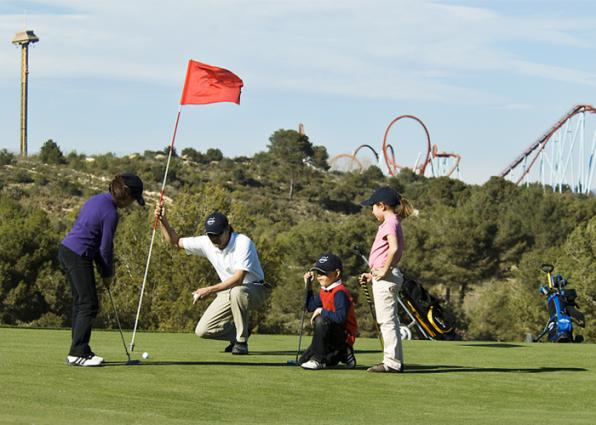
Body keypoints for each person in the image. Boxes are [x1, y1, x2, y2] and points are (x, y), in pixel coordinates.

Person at [155, 206, 270, 355]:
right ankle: (240, 332)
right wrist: (163, 220)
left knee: (237, 291)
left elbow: (238, 279)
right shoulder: (207, 242)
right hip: (228, 291)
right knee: (203, 330)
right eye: (210, 235)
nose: (214, 239)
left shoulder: (243, 242)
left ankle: (241, 342)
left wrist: (208, 290)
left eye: (217, 235)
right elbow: (175, 241)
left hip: (255, 289)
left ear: (227, 229)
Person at [59, 172, 145, 367]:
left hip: (68, 251)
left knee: (82, 303)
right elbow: (105, 247)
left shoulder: (96, 200)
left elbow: (97, 242)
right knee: (88, 304)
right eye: (133, 199)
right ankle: (77, 352)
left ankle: (80, 349)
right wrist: (107, 273)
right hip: (78, 254)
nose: (132, 203)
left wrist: (103, 269)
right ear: (127, 195)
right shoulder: (111, 213)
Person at [359, 186, 414, 373]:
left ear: (382, 206)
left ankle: (392, 363)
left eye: (372, 206)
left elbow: (394, 248)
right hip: (384, 275)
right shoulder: (392, 221)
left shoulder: (390, 222)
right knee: (389, 320)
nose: (372, 211)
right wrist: (374, 273)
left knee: (387, 321)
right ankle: (392, 361)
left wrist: (384, 270)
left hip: (386, 277)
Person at [299, 253, 358, 370]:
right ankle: (342, 355)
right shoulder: (324, 291)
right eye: (318, 273)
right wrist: (308, 286)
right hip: (330, 334)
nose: (319, 276)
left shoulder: (340, 292)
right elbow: (310, 307)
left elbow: (340, 318)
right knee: (302, 361)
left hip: (343, 337)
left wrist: (321, 310)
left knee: (321, 320)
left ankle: (319, 360)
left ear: (337, 273)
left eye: (323, 273)